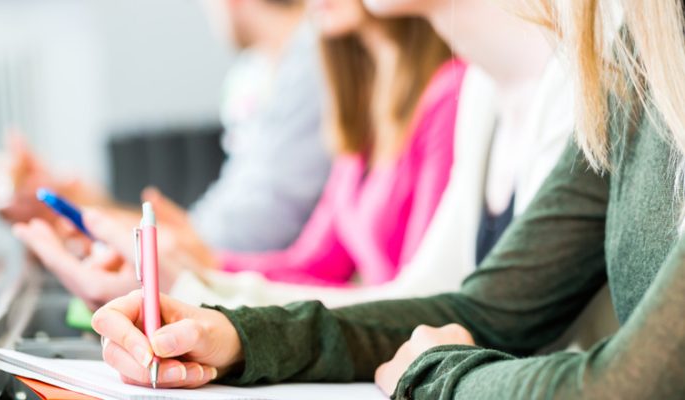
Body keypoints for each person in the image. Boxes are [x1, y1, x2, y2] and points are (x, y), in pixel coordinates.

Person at [91, 0, 685, 398]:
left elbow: (632, 384)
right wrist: (236, 335)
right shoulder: (640, 53)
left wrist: (441, 375)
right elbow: (486, 310)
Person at [14, 0, 461, 300]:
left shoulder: (449, 95)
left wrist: (200, 275)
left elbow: (421, 300)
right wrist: (203, 264)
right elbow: (314, 262)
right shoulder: (362, 111)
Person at [1, 0, 330, 252]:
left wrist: (97, 218)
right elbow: (218, 222)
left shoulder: (312, 64)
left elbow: (252, 229)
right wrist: (88, 208)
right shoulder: (255, 72)